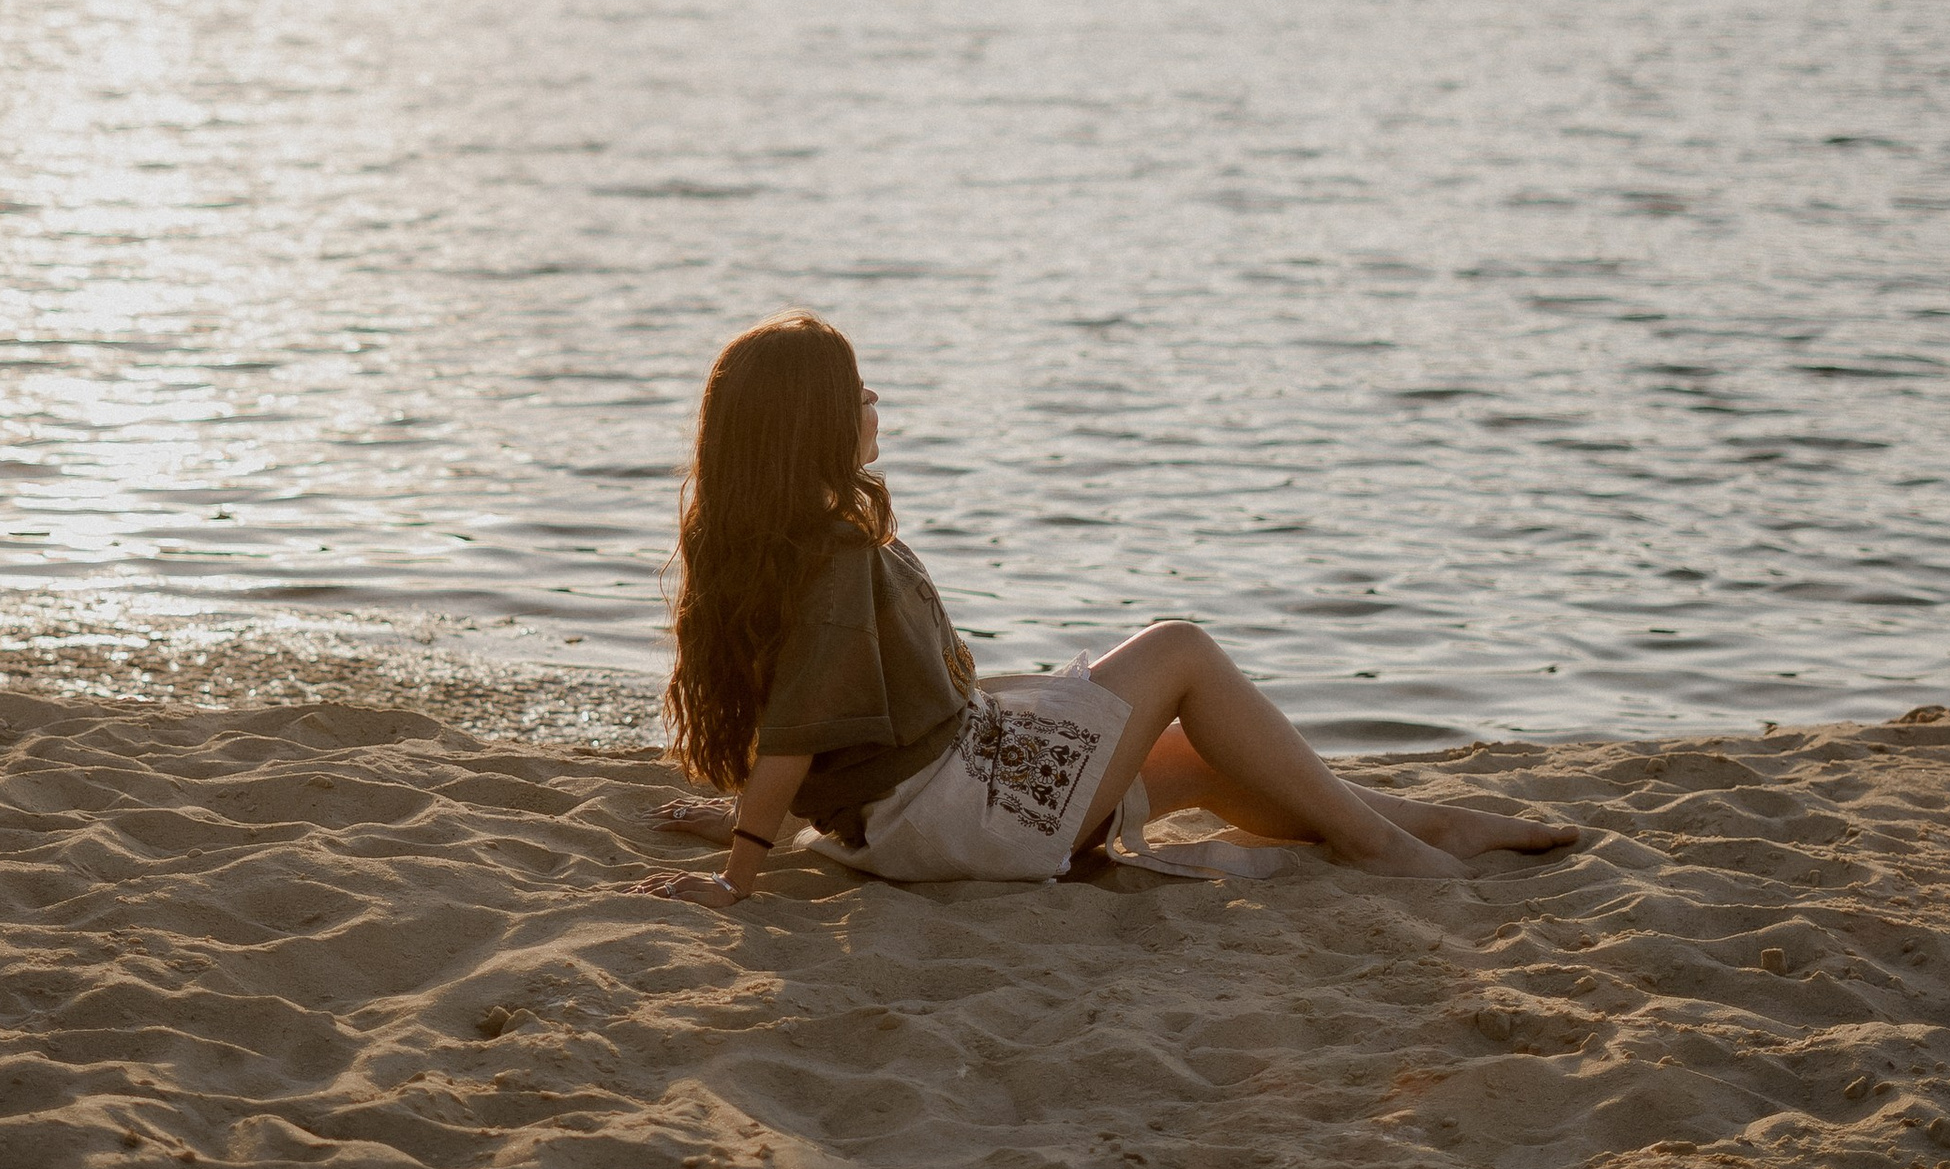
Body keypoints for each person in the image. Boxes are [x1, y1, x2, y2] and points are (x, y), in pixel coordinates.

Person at [638, 311, 1578, 911]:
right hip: (956, 811)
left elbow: (807, 723)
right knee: (1181, 649)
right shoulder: (835, 556)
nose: (876, 402)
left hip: (928, 802)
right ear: (813, 425)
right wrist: (740, 874)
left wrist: (743, 821)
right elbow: (799, 729)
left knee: (1203, 760)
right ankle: (1381, 843)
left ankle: (1414, 826)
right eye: (860, 393)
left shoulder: (768, 549)